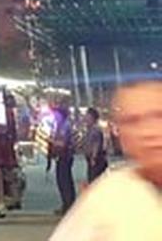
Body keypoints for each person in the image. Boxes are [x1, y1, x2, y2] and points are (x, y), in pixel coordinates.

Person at [49, 79, 162, 240]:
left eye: (158, 116)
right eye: (133, 121)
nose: (147, 132)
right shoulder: (108, 199)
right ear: (122, 135)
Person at [47, 102, 77, 214]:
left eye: (56, 115)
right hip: (61, 156)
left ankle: (68, 204)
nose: (54, 117)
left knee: (64, 181)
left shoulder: (65, 126)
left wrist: (51, 141)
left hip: (65, 156)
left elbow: (63, 144)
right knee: (63, 181)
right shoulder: (59, 125)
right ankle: (67, 204)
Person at [82, 107, 109, 183]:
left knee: (95, 181)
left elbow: (96, 144)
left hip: (96, 160)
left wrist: (94, 158)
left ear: (92, 118)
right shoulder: (89, 129)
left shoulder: (95, 130)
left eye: (87, 116)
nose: (85, 118)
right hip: (91, 159)